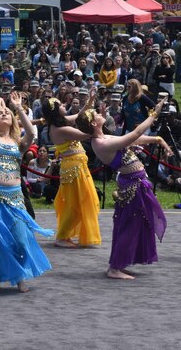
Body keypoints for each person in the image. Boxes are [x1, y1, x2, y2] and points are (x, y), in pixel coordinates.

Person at [76, 98, 170, 280]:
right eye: (96, 114)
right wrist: (154, 114)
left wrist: (156, 139)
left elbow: (133, 138)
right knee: (130, 226)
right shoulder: (102, 144)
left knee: (138, 224)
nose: (99, 113)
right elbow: (135, 134)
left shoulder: (105, 138)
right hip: (132, 187)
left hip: (136, 184)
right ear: (94, 123)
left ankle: (123, 262)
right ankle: (114, 268)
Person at [0, 93, 53, 293]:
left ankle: (20, 276)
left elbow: (32, 133)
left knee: (20, 239)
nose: (4, 115)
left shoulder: (18, 142)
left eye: (6, 114)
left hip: (15, 197)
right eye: (1, 114)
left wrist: (17, 107)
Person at [42, 91, 101, 248]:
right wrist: (97, 122)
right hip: (74, 169)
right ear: (56, 111)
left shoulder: (60, 123)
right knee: (75, 204)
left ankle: (64, 235)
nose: (63, 106)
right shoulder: (60, 129)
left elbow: (78, 116)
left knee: (81, 201)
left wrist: (89, 103)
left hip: (77, 167)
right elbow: (85, 134)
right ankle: (61, 237)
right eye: (60, 105)